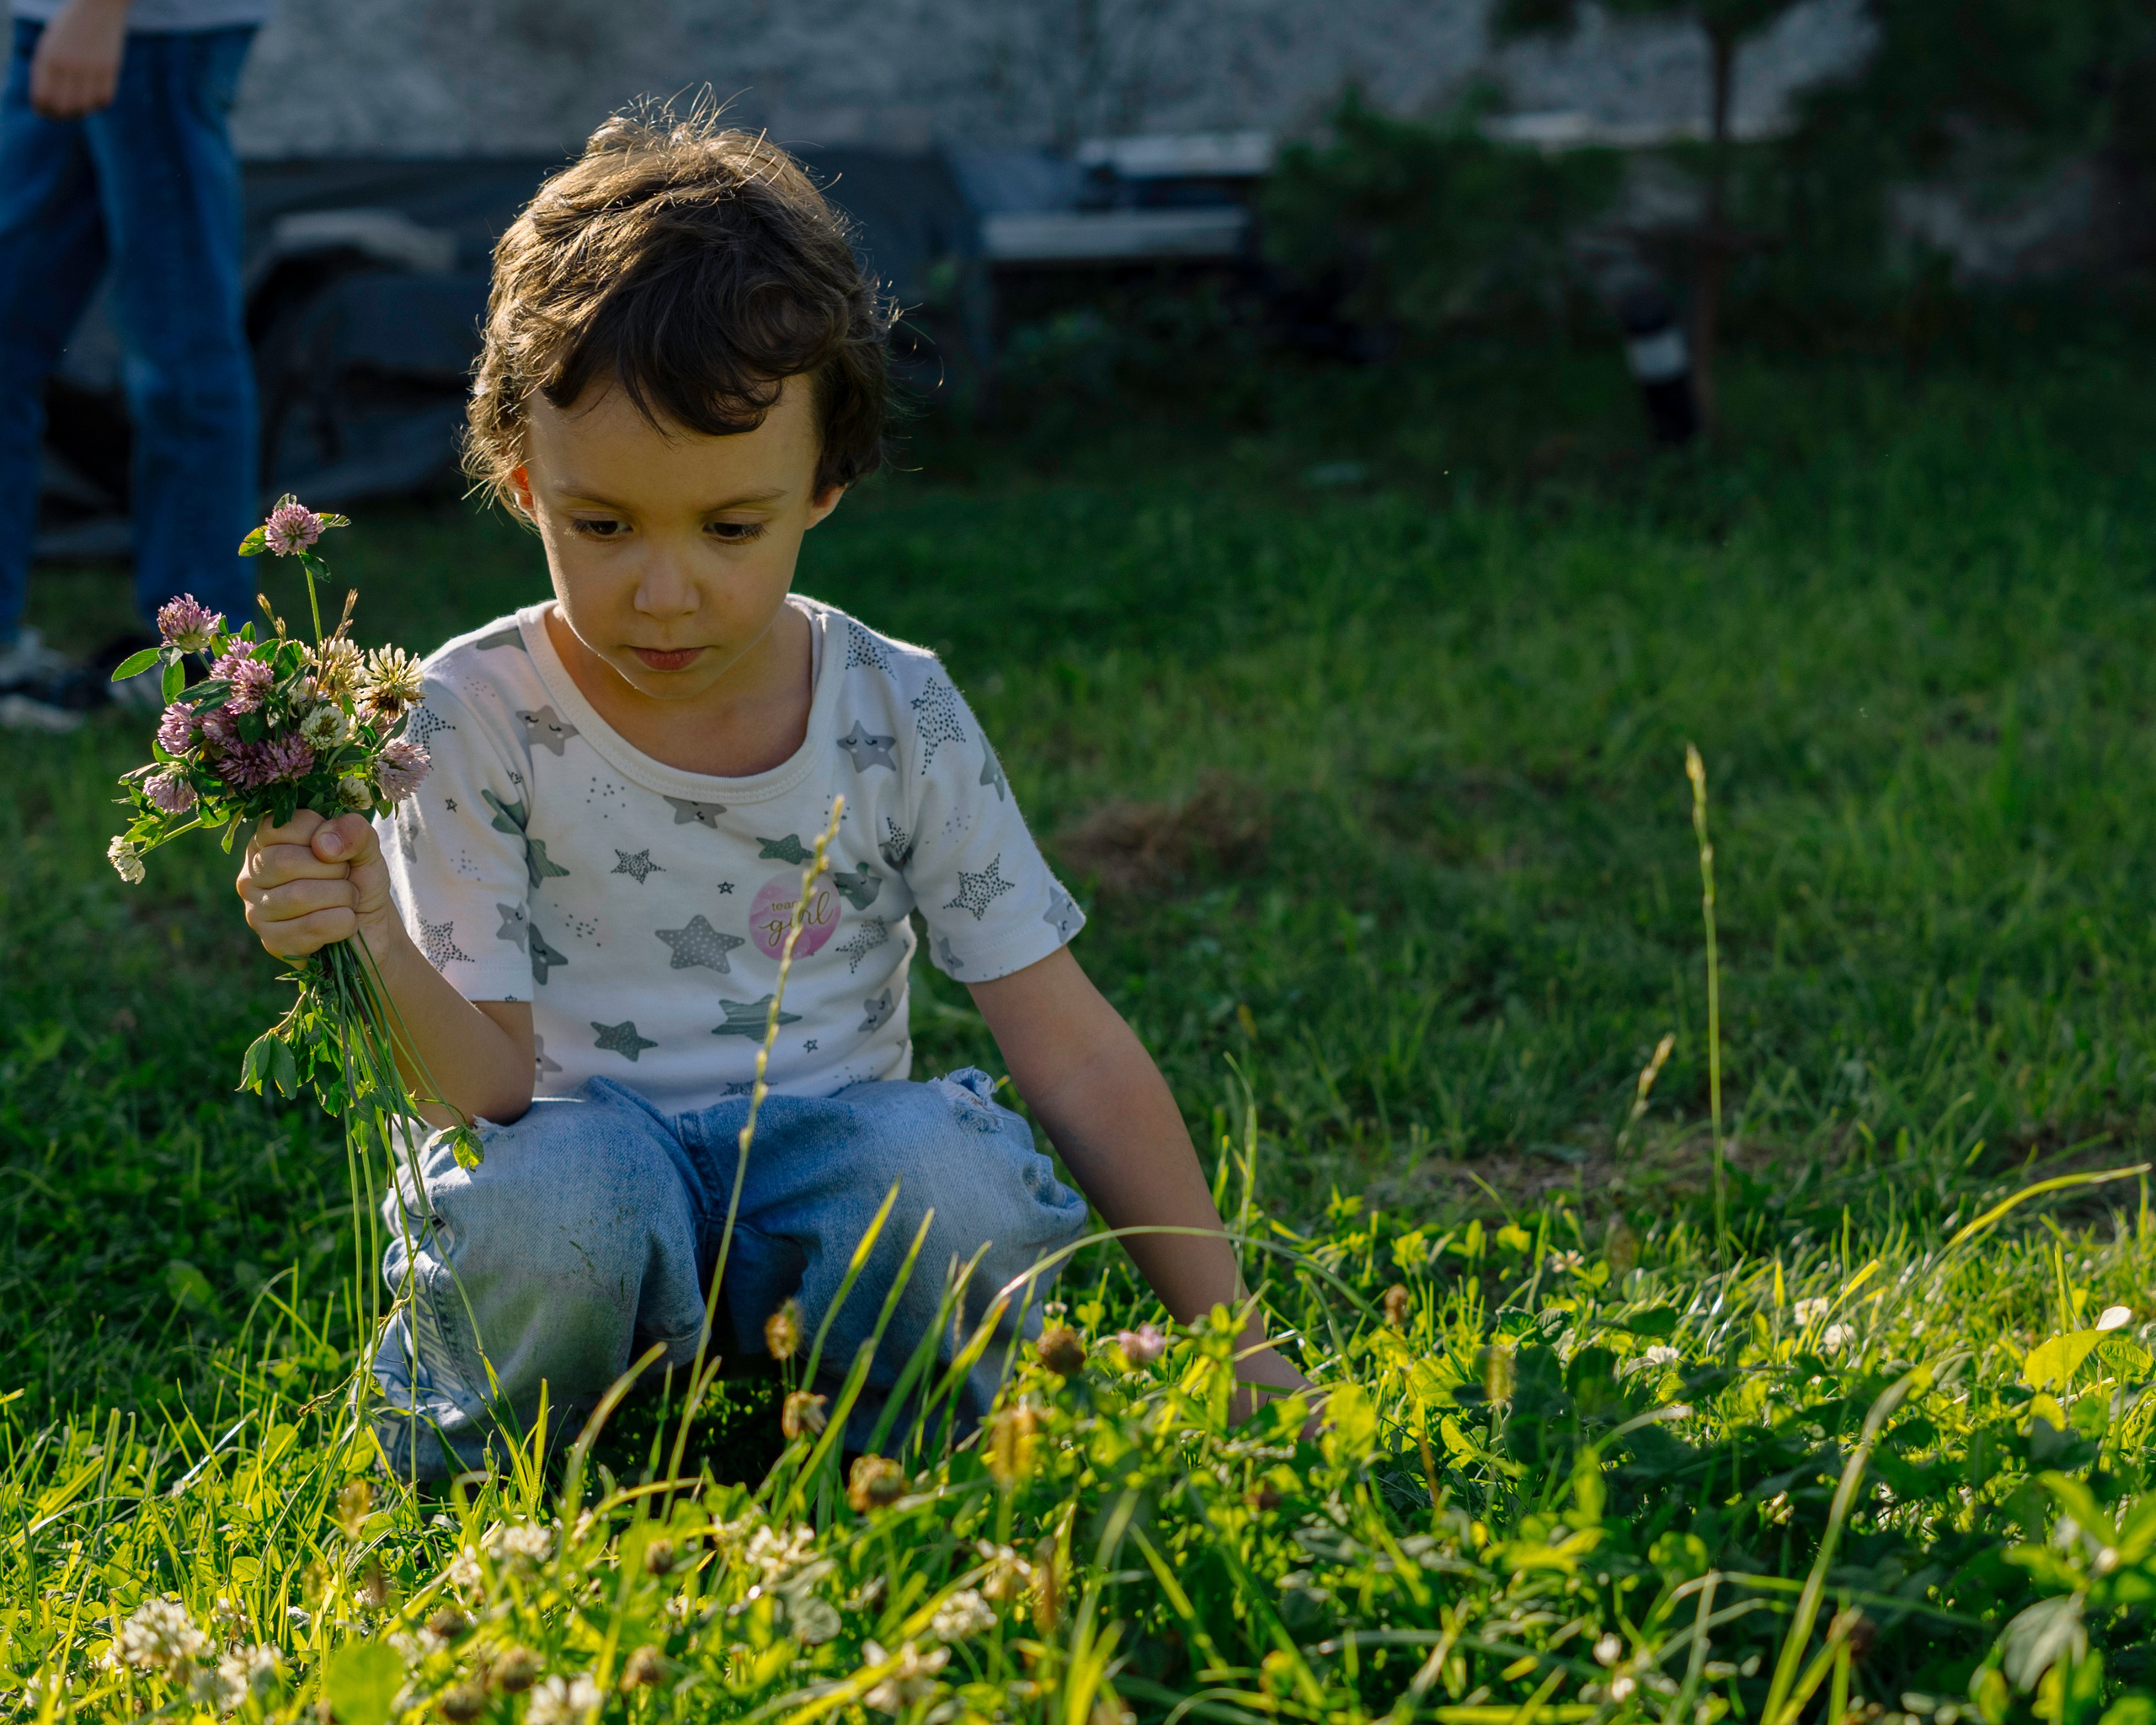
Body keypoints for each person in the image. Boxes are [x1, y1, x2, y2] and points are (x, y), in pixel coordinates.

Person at [232, 110, 1313, 1477]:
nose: (663, 587)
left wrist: (1234, 1335)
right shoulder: (468, 713)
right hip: (582, 1172)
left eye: (730, 526)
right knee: (555, 1197)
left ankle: (904, 1463)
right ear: (524, 484)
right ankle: (503, 1478)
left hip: (824, 1187)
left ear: (826, 486)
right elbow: (484, 1092)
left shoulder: (893, 707)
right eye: (603, 525)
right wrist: (373, 932)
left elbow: (1073, 1047)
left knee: (944, 1173)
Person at [0, 0, 264, 713]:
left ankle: (198, 660)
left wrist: (98, 8)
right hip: (60, 23)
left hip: (149, 33)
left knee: (180, 356)